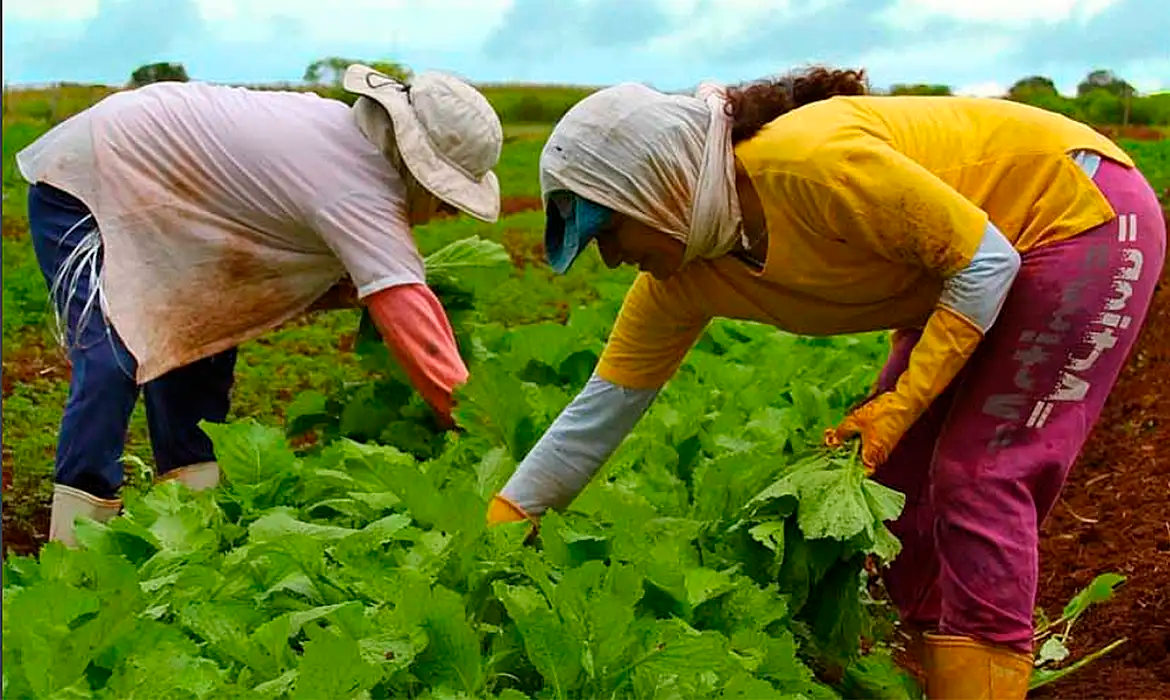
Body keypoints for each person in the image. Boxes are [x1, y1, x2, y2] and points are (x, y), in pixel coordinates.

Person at [485, 66, 1166, 698]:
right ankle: (936, 667)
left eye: (608, 232)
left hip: (1077, 216)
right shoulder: (679, 280)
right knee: (891, 483)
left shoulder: (808, 164)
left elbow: (985, 264)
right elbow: (598, 414)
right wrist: (503, 529)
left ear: (657, 190)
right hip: (971, 274)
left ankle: (984, 671)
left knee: (979, 472)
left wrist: (899, 405)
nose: (610, 258)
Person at [18, 64, 504, 548]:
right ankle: (75, 548)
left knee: (200, 344)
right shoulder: (355, 186)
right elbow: (413, 326)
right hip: (91, 178)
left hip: (178, 205)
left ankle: (189, 530)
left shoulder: (345, 148)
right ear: (416, 162)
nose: (448, 211)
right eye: (446, 196)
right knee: (111, 359)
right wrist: (484, 429)